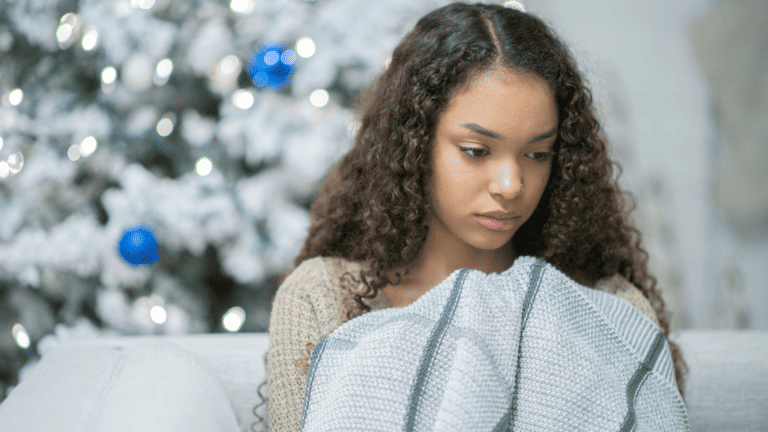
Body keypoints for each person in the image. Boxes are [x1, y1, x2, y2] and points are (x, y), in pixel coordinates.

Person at [254, 2, 689, 431]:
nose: (511, 184)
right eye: (477, 152)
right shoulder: (326, 299)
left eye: (538, 154)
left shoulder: (609, 308)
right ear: (414, 143)